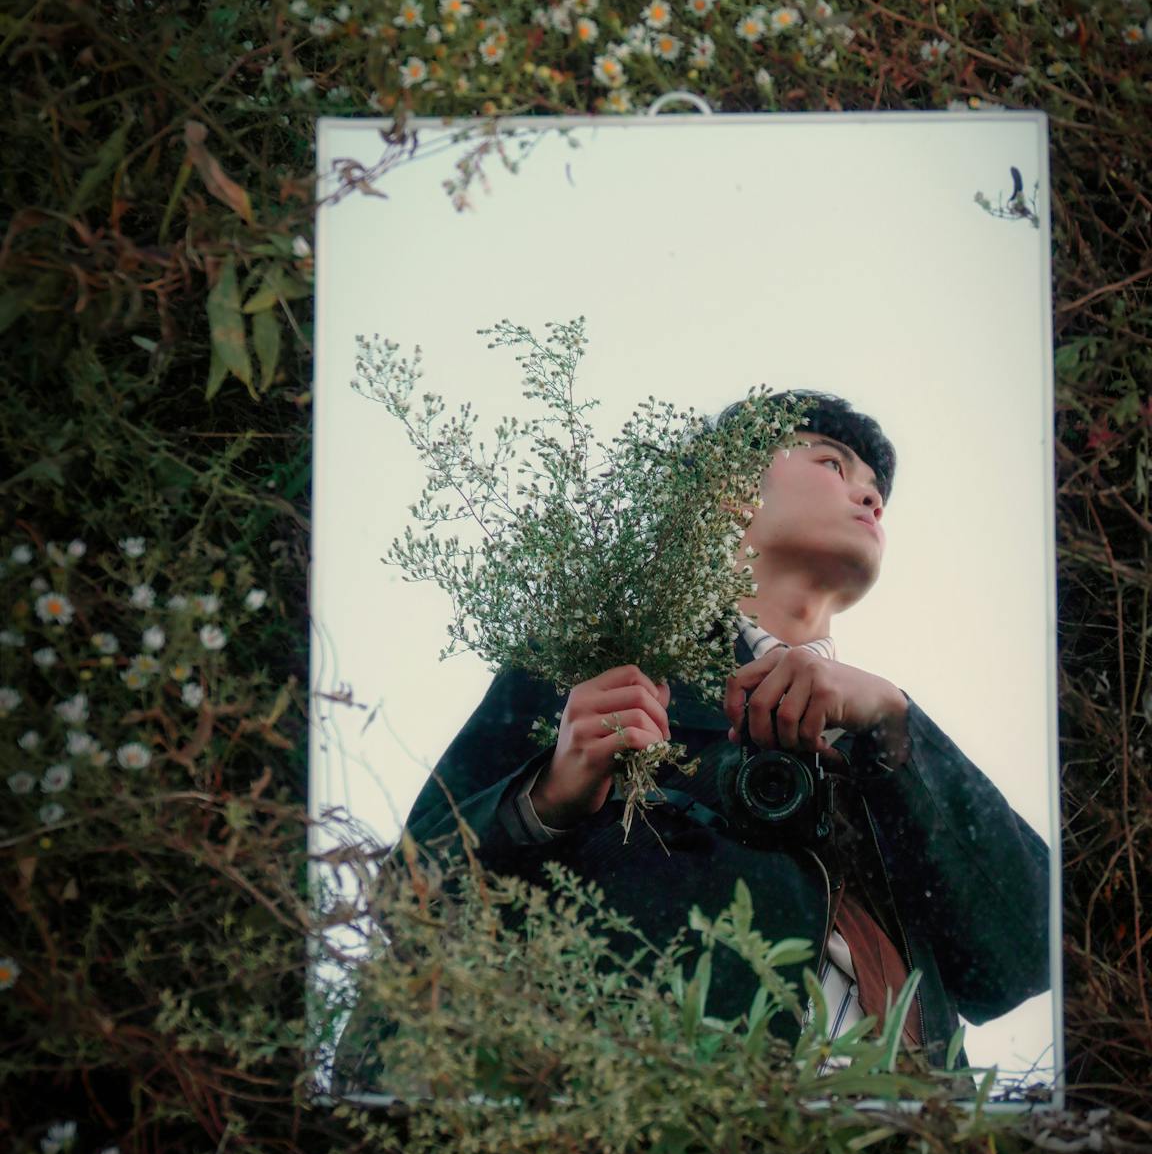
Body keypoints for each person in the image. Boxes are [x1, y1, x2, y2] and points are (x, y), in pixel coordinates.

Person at [331, 390, 1051, 1096]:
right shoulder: (601, 668)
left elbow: (1024, 955)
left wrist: (896, 722)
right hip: (640, 1140)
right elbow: (409, 903)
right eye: (832, 465)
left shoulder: (886, 739)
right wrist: (548, 797)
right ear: (730, 494)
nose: (870, 500)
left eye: (878, 494)